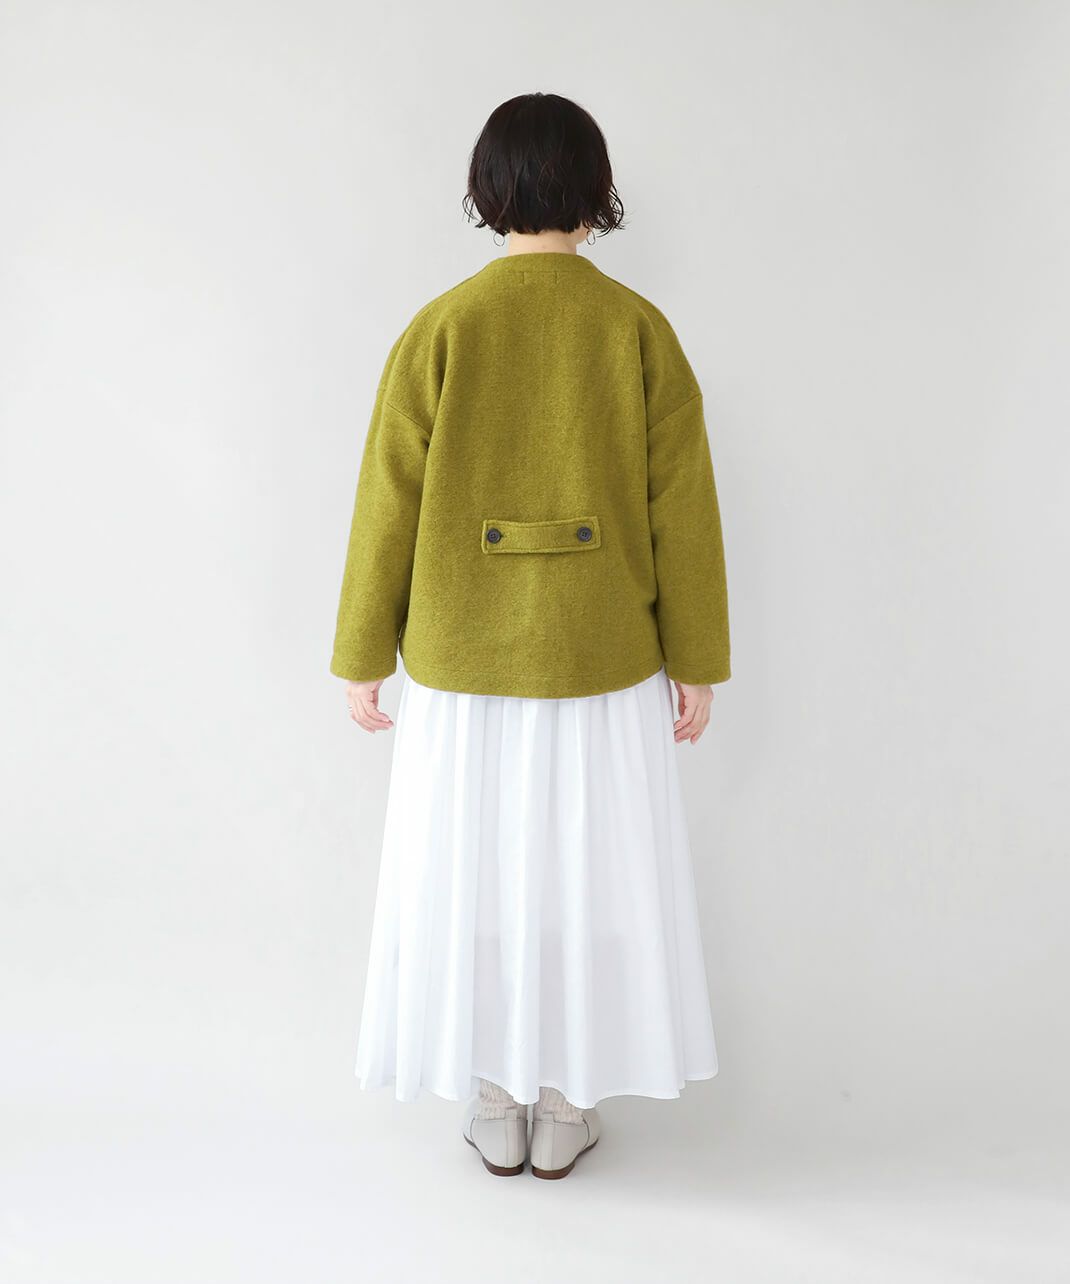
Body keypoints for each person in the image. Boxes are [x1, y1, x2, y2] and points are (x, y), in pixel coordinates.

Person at [331, 92, 730, 1179]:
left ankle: (495, 1099)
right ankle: (564, 1104)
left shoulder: (442, 326)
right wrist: (696, 660)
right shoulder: (636, 329)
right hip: (601, 661)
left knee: (474, 873)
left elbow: (387, 503)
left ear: (486, 190)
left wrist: (363, 653)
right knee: (586, 876)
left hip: (462, 665)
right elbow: (683, 509)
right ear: (596, 192)